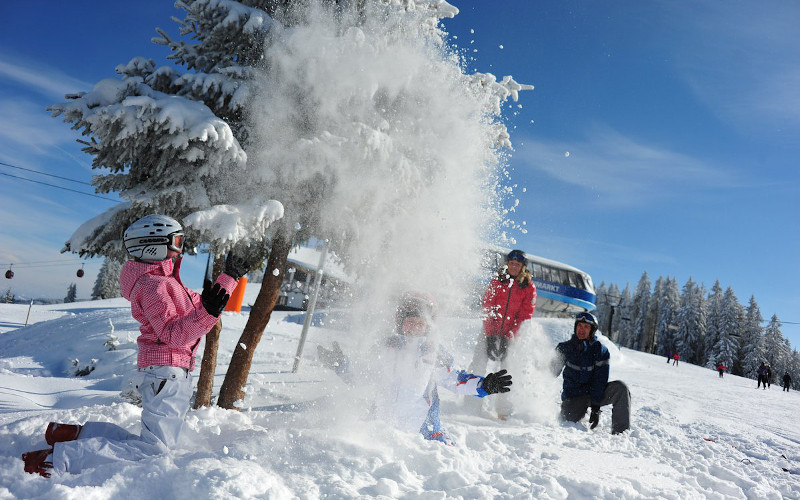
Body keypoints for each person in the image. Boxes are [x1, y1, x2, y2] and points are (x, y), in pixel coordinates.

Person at [22, 214, 248, 477]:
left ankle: (74, 435)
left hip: (168, 371)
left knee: (149, 441)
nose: (180, 248)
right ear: (154, 245)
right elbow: (174, 334)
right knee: (155, 449)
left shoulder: (167, 283)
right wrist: (208, 311)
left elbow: (202, 305)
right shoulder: (154, 286)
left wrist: (229, 278)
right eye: (176, 241)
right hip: (168, 370)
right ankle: (59, 459)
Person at [317, 292, 513, 444]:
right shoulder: (387, 347)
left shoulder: (432, 352)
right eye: (410, 322)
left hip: (422, 435)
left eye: (420, 324)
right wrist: (341, 365)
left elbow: (455, 380)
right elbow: (364, 376)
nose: (414, 327)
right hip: (380, 429)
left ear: (427, 327)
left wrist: (484, 384)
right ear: (400, 322)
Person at [468, 249, 536, 419]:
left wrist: (508, 337)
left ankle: (503, 411)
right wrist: (490, 335)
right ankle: (472, 404)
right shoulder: (498, 281)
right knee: (478, 364)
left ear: (523, 267)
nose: (514, 266)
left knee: (507, 370)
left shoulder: (527, 287)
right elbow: (488, 306)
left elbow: (524, 315)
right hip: (489, 329)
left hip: (511, 334)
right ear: (507, 264)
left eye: (517, 264)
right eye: (511, 263)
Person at [552, 311, 630, 434]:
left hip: (593, 393)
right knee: (567, 421)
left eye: (586, 327)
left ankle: (621, 433)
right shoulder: (565, 348)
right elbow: (550, 372)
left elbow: (600, 381)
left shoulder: (600, 351)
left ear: (592, 330)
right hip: (573, 398)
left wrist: (595, 407)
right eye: (579, 326)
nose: (581, 330)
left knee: (620, 388)